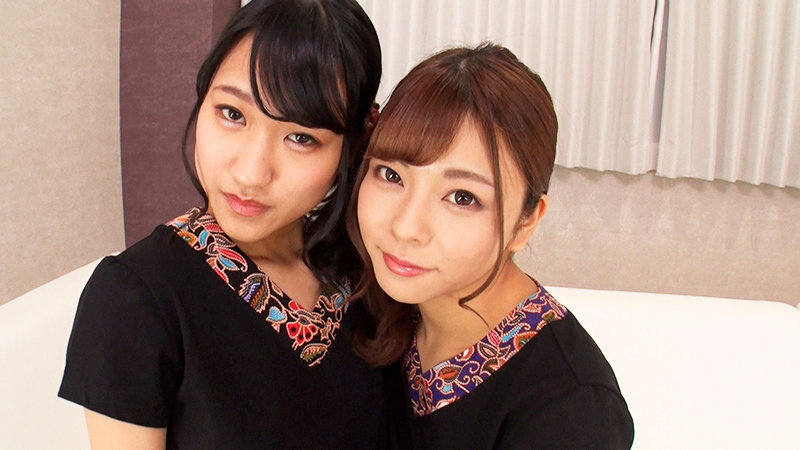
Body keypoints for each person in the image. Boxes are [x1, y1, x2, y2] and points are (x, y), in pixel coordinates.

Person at [58, 0, 386, 448]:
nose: (250, 174)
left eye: (300, 138)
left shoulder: (367, 268)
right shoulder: (135, 300)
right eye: (232, 114)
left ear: (352, 145)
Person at [347, 43, 634, 448]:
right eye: (391, 175)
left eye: (462, 197)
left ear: (526, 221)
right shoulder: (374, 298)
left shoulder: (572, 409)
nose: (406, 227)